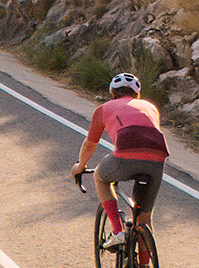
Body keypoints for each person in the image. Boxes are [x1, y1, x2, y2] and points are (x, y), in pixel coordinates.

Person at [72, 72, 168, 248]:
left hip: (125, 156)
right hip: (157, 160)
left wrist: (81, 166)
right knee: (144, 219)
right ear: (137, 94)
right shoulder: (150, 107)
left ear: (112, 93)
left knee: (100, 178)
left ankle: (118, 232)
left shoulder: (104, 108)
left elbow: (90, 144)